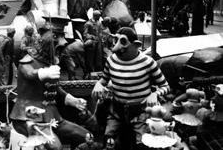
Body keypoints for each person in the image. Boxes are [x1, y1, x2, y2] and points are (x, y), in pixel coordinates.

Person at [10, 21, 90, 150]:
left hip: (52, 116)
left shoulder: (50, 63)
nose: (59, 53)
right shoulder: (28, 61)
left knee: (86, 136)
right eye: (57, 48)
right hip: (29, 117)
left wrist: (72, 100)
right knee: (55, 148)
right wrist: (43, 73)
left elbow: (54, 88)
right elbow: (29, 73)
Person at [92, 27, 170, 148]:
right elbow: (103, 80)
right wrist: (98, 84)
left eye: (123, 41)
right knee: (109, 140)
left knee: (143, 143)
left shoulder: (148, 62)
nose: (117, 46)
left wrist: (154, 94)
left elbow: (165, 86)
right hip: (117, 111)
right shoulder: (111, 60)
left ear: (135, 45)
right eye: (115, 40)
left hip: (141, 112)